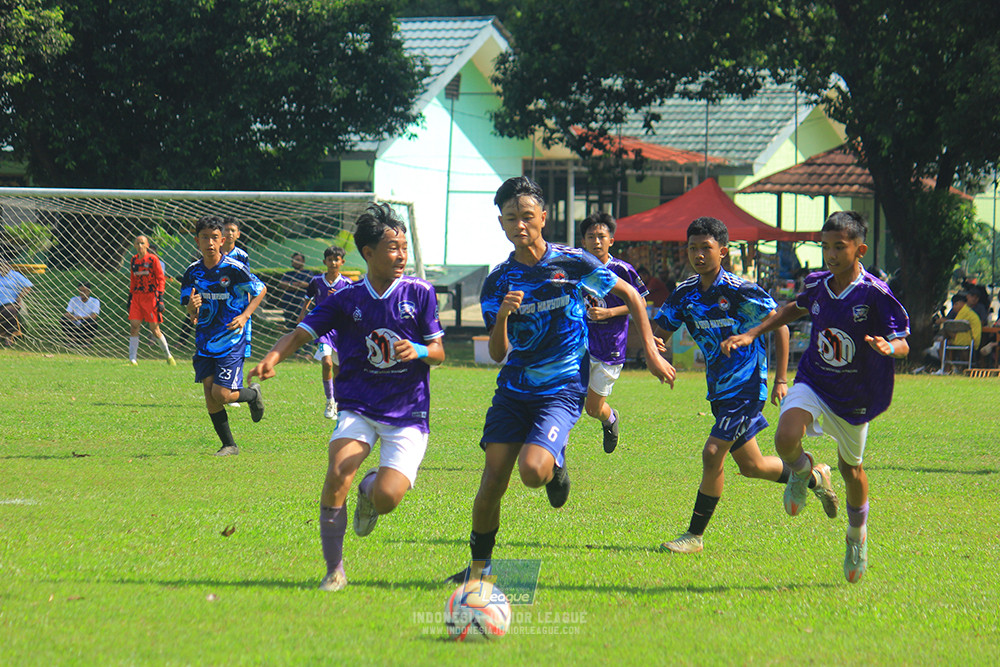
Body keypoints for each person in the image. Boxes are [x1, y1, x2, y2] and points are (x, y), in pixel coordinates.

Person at [448, 176, 675, 584]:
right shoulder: (497, 281)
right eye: (511, 218)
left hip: (564, 386)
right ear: (501, 223)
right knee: (492, 480)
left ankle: (556, 464)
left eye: (528, 217)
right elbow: (499, 353)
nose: (520, 225)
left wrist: (654, 353)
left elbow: (632, 295)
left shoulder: (571, 262)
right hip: (514, 390)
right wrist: (502, 316)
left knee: (532, 472)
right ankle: (479, 574)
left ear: (544, 218)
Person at [249, 203, 444, 592]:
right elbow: (301, 333)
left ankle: (370, 489)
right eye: (392, 247)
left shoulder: (420, 293)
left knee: (388, 497)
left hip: (407, 412)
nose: (401, 255)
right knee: (338, 469)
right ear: (368, 253)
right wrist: (273, 356)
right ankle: (334, 570)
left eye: (404, 246)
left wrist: (418, 351)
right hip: (358, 404)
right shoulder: (347, 299)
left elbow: (438, 352)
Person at [722, 211, 910, 584]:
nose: (831, 255)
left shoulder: (874, 293)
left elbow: (903, 340)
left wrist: (890, 347)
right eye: (825, 247)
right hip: (814, 380)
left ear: (860, 249)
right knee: (785, 437)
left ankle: (857, 536)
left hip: (855, 395)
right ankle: (802, 470)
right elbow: (794, 308)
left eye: (839, 247)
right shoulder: (819, 285)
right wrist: (753, 333)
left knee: (851, 471)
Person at [654, 217, 838, 555]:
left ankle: (694, 536)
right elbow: (659, 332)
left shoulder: (740, 291)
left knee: (712, 454)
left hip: (748, 387)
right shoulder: (684, 294)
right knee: (751, 466)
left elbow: (780, 325)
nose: (698, 254)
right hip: (719, 392)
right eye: (692, 248)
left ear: (722, 251)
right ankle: (814, 475)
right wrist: (657, 351)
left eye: (705, 248)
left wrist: (781, 379)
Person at [180, 216, 268, 456]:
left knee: (222, 394)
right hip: (204, 340)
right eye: (205, 238)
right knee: (210, 394)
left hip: (231, 339)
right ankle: (229, 445)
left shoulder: (234, 269)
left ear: (222, 241)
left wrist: (245, 315)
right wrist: (191, 308)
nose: (210, 242)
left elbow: (261, 290)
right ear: (197, 241)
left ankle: (252, 394)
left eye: (215, 238)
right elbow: (190, 309)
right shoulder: (192, 272)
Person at [579, 211, 648, 453]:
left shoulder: (622, 269)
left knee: (593, 408)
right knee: (566, 398)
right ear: (583, 242)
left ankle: (610, 420)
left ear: (611, 240)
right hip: (580, 346)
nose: (596, 241)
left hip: (610, 347)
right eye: (591, 237)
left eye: (601, 236)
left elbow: (641, 302)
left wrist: (609, 313)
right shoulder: (577, 268)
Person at [297, 245, 353, 420]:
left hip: (341, 330)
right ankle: (329, 401)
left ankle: (336, 402)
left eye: (336, 259)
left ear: (342, 262)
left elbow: (353, 304)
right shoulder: (316, 281)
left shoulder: (347, 283)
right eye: (330, 259)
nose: (333, 262)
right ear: (325, 262)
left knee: (338, 369)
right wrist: (302, 315)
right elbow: (308, 298)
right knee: (327, 363)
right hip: (323, 328)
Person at [128, 235, 176, 366]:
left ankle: (168, 356)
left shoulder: (153, 260)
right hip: (137, 297)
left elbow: (161, 279)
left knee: (154, 329)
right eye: (137, 243)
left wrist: (160, 299)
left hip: (151, 297)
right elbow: (133, 280)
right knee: (134, 326)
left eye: (142, 243)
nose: (139, 246)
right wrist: (130, 297)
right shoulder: (133, 260)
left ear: (147, 245)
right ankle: (132, 359)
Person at [0, 260, 32, 346]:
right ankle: (3, 334)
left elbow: (28, 286)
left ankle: (9, 335)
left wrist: (19, 298)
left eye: (4, 267)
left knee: (7, 311)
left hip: (10, 302)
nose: (2, 269)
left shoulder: (15, 275)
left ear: (8, 267)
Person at [278, 252, 312, 331]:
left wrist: (291, 285)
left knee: (304, 327)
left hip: (302, 305)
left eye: (298, 260)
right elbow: (282, 284)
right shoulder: (288, 274)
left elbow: (307, 284)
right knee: (291, 329)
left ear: (303, 261)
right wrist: (299, 284)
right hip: (289, 305)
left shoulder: (308, 273)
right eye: (293, 260)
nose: (295, 261)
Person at [62, 281, 101, 346]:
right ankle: (73, 340)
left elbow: (94, 316)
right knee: (63, 319)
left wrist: (80, 317)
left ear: (89, 291)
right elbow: (67, 313)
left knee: (92, 321)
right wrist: (70, 316)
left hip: (85, 322)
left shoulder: (95, 301)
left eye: (84, 291)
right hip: (75, 322)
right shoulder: (74, 299)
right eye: (80, 291)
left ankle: (87, 341)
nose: (82, 293)